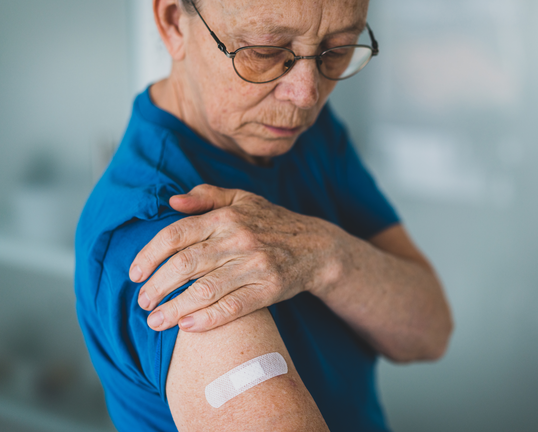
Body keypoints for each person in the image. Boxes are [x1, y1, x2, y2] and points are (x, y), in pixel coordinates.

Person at [75, 0, 453, 430]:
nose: (306, 94)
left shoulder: (301, 133)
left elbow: (429, 331)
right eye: (265, 52)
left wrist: (326, 255)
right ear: (173, 23)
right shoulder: (160, 233)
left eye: (338, 48)